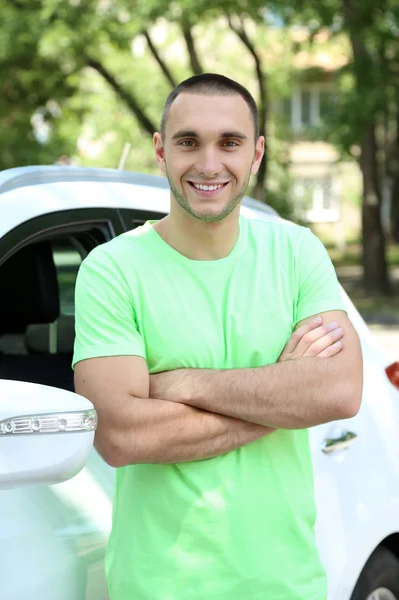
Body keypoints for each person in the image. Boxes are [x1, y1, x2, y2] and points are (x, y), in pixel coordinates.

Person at [73, 73, 363, 600]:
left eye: (229, 143)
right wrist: (282, 397)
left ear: (255, 154)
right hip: (159, 587)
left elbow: (339, 392)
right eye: (189, 142)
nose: (209, 165)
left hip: (287, 585)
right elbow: (119, 435)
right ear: (161, 151)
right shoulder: (111, 270)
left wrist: (180, 383)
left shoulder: (297, 253)